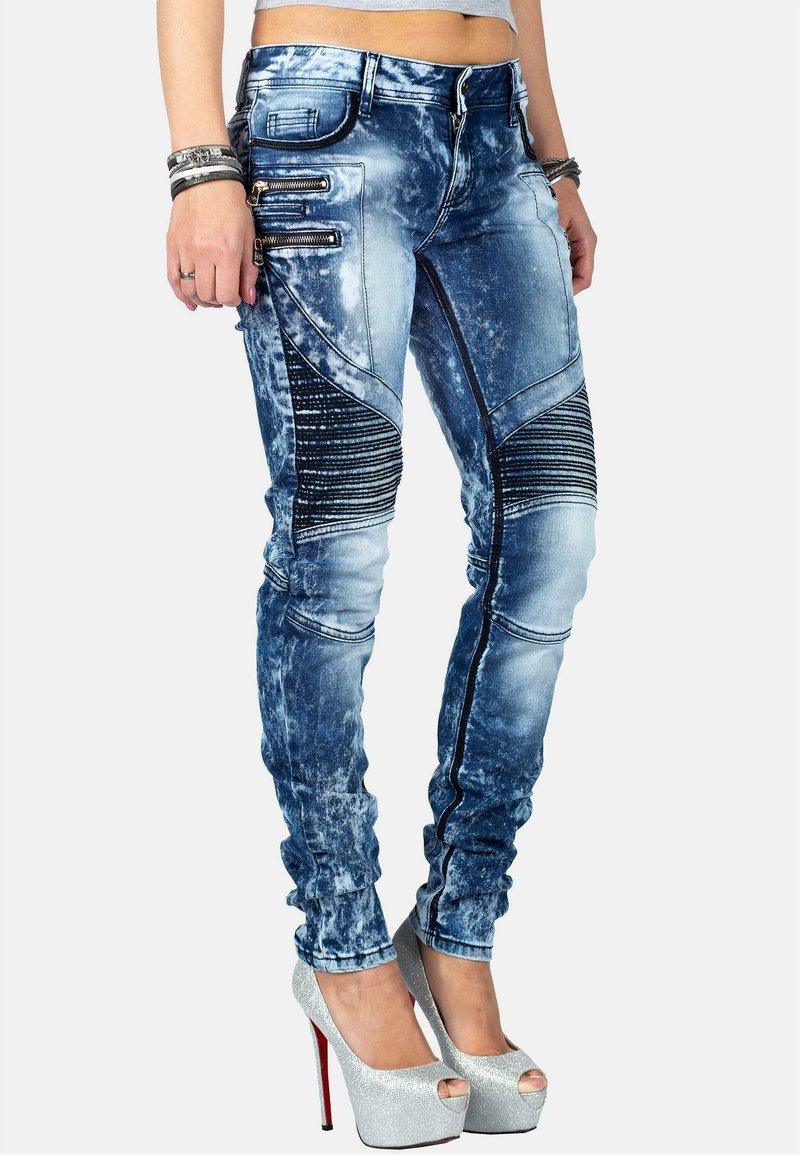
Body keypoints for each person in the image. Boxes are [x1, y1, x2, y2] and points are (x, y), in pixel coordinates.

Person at [157, 0, 598, 1145]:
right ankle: (343, 945)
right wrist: (200, 160)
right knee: (336, 548)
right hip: (327, 115)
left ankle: (457, 928)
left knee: (551, 527)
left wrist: (551, 152)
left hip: (493, 129)